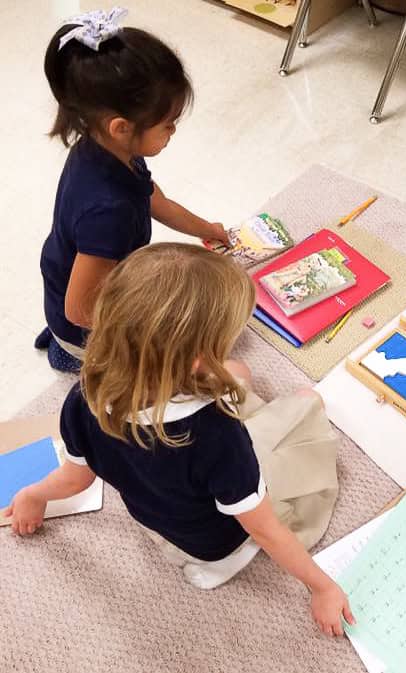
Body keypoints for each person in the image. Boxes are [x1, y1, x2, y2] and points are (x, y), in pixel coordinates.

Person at [10, 243, 352, 636]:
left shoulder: (84, 394)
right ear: (195, 361)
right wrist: (322, 586)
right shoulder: (217, 435)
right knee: (309, 403)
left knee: (238, 372)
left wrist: (33, 495)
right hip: (220, 543)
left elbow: (76, 479)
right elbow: (263, 529)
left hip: (162, 519)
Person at [37, 8, 227, 372]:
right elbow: (79, 309)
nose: (173, 132)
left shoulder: (106, 149)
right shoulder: (109, 212)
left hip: (83, 282)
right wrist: (149, 332)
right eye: (168, 124)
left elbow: (157, 201)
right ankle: (67, 354)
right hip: (82, 325)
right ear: (121, 127)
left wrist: (208, 230)